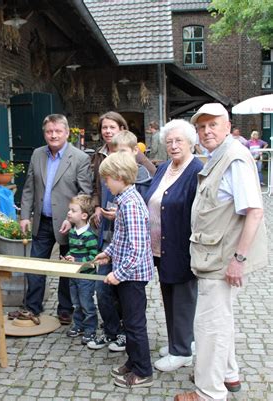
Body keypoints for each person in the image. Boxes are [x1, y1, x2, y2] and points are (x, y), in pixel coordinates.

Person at [175, 104, 268, 401]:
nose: (207, 131)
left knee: (209, 327)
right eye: (201, 127)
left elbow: (254, 211)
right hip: (216, 257)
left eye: (213, 125)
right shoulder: (220, 157)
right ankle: (228, 375)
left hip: (222, 260)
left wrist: (238, 261)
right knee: (221, 320)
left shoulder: (234, 159)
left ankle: (208, 393)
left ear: (228, 126)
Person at [11, 114, 92, 325]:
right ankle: (32, 307)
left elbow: (85, 194)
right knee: (36, 267)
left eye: (58, 131)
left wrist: (74, 220)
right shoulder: (37, 154)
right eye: (49, 131)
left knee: (66, 267)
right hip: (42, 221)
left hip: (68, 223)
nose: (53, 135)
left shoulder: (80, 158)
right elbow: (28, 188)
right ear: (44, 133)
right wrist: (24, 216)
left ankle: (65, 309)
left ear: (66, 132)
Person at [88, 112, 155, 352]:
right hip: (111, 239)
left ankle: (136, 356)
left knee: (131, 309)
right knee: (103, 292)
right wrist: (107, 251)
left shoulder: (134, 194)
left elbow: (137, 241)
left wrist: (122, 271)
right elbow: (97, 189)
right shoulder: (108, 173)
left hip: (131, 260)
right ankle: (113, 334)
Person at [143, 119, 203, 372]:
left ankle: (182, 352)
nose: (173, 145)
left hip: (182, 246)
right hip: (160, 247)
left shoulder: (197, 170)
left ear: (190, 142)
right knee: (169, 295)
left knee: (183, 298)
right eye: (169, 141)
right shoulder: (165, 167)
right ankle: (180, 343)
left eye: (178, 140)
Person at [95, 151, 154, 389]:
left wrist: (117, 274)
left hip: (132, 277)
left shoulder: (130, 204)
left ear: (119, 177)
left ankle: (143, 371)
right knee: (129, 323)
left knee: (135, 324)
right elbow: (122, 237)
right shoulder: (124, 200)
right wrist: (108, 253)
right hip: (126, 274)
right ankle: (133, 360)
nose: (106, 184)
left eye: (107, 179)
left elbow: (138, 249)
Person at [63, 195, 98, 345]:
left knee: (86, 303)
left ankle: (90, 328)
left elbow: (93, 259)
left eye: (73, 210)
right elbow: (73, 251)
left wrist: (76, 261)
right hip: (74, 275)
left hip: (86, 277)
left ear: (84, 215)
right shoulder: (72, 233)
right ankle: (79, 325)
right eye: (69, 210)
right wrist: (68, 257)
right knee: (76, 303)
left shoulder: (89, 235)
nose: (69, 213)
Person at [112, 130, 153, 198]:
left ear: (135, 150)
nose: (119, 156)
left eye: (123, 151)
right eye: (115, 152)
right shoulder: (114, 173)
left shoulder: (143, 177)